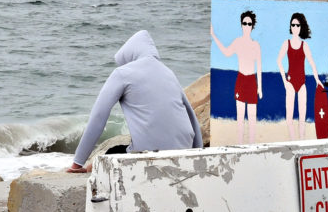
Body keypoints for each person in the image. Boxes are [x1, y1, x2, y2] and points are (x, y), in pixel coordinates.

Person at [67, 30, 203, 173]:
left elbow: (98, 117)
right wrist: (197, 154)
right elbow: (191, 116)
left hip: (148, 154)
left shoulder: (122, 73)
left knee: (112, 152)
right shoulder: (168, 73)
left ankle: (85, 169)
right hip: (184, 152)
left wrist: (77, 163)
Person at [211, 10, 263, 144]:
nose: (246, 26)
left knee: (252, 118)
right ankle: (240, 145)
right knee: (240, 118)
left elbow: (259, 68)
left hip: (252, 81)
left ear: (252, 26)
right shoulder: (237, 42)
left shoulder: (256, 45)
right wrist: (214, 36)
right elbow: (226, 52)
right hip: (240, 80)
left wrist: (260, 88)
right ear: (241, 25)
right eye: (244, 23)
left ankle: (252, 147)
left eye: (249, 24)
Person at [276, 12, 322, 140]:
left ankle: (301, 141)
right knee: (289, 117)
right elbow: (279, 60)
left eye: (297, 25)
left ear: (301, 27)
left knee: (302, 117)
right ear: (290, 26)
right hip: (290, 83)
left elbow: (312, 62)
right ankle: (292, 141)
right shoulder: (286, 43)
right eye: (293, 25)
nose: (295, 27)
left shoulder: (304, 45)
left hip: (302, 84)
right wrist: (284, 80)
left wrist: (317, 79)